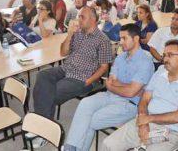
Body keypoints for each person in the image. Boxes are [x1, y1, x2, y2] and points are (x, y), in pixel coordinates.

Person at [63, 23, 154, 151]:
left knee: (90, 120)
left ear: (136, 39)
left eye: (124, 38)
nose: (120, 42)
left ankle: (72, 149)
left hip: (129, 105)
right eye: (120, 38)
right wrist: (127, 87)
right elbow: (110, 84)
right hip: (110, 95)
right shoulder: (120, 57)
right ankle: (70, 147)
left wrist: (120, 86)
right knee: (85, 103)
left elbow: (129, 93)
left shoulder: (145, 61)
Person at [31, 6, 113, 147]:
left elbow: (104, 67)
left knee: (51, 92)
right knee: (42, 76)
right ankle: (43, 125)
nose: (78, 19)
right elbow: (63, 53)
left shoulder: (103, 40)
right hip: (65, 69)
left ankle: (42, 131)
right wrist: (69, 34)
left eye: (82, 17)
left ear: (93, 19)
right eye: (79, 16)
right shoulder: (77, 33)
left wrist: (89, 81)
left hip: (81, 77)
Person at [101, 40, 178, 151]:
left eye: (170, 55)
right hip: (144, 119)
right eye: (164, 55)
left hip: (171, 130)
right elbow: (145, 99)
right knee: (108, 144)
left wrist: (148, 119)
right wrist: (143, 122)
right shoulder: (160, 71)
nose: (165, 59)